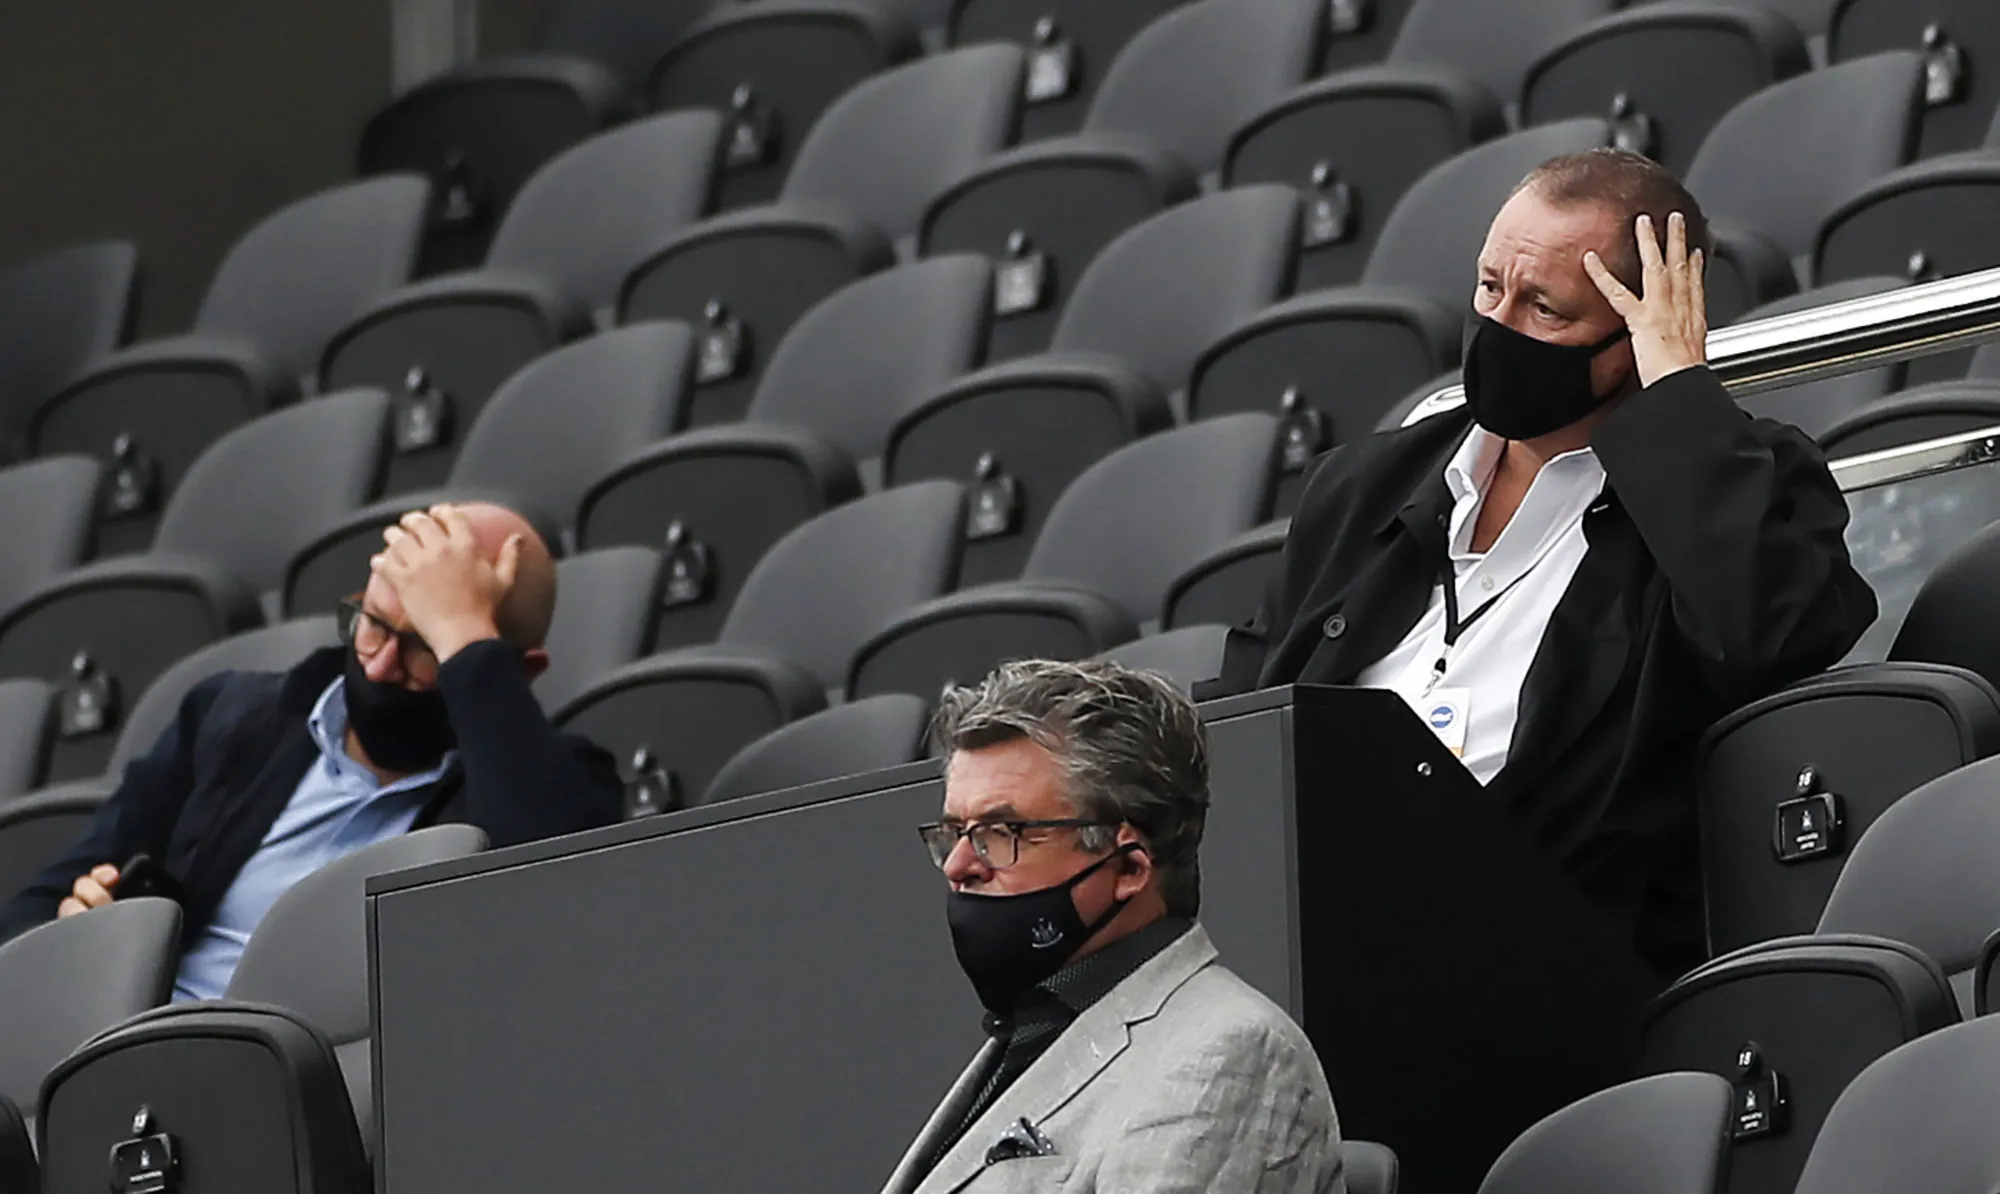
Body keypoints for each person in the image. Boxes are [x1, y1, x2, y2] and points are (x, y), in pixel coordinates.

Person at [1206, 149, 1878, 978]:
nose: (1499, 325)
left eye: (1543, 308)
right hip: (1305, 940)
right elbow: (1240, 713)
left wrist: (1677, 397)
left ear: (1634, 334)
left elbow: (1769, 635)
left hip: (1539, 963)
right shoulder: (1365, 484)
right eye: (1490, 287)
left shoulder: (1736, 481)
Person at [0, 502, 622, 998]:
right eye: (372, 623)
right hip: (133, 1056)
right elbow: (31, 915)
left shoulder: (564, 784)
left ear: (514, 669)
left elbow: (547, 918)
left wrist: (464, 635)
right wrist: (77, 934)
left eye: (424, 648)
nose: (378, 666)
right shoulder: (234, 716)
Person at [884, 659, 1343, 1194]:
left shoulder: (1225, 1052)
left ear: (1128, 868)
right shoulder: (1038, 1028)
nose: (959, 865)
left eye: (1002, 831)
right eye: (955, 833)